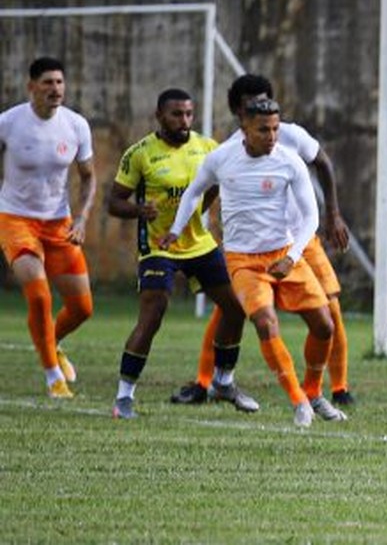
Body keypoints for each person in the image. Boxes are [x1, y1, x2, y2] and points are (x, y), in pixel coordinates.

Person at [170, 74, 356, 406]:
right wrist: (195, 227)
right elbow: (210, 187)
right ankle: (205, 381)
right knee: (230, 310)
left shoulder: (292, 136)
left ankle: (338, 389)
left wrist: (333, 215)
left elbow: (323, 164)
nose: (267, 125)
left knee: (330, 309)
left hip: (300, 239)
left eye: (265, 102)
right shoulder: (229, 150)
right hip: (249, 250)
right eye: (250, 106)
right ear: (239, 114)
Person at [106, 88, 259, 419]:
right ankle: (124, 396)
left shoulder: (207, 147)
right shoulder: (140, 153)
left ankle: (223, 382)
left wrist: (199, 212)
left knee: (236, 308)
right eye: (176, 114)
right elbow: (114, 202)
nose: (184, 120)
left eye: (189, 114)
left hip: (198, 243)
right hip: (158, 247)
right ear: (159, 116)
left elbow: (215, 184)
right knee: (153, 313)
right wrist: (138, 211)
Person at [0, 57, 96, 398]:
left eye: (59, 82)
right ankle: (53, 376)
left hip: (60, 223)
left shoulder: (76, 125)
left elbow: (88, 178)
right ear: (32, 87)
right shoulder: (9, 123)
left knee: (83, 308)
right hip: (15, 219)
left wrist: (82, 219)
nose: (55, 89)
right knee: (39, 294)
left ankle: (52, 344)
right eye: (48, 83)